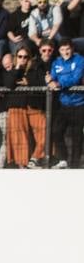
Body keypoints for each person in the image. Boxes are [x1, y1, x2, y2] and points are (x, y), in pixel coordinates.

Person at [49, 38, 84, 169]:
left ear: (72, 49)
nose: (65, 52)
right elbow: (53, 77)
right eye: (63, 49)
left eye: (68, 49)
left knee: (77, 135)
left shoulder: (80, 60)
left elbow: (75, 78)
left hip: (79, 104)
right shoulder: (56, 62)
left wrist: (59, 83)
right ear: (59, 50)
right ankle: (63, 159)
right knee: (56, 131)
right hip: (64, 103)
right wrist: (50, 81)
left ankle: (75, 164)